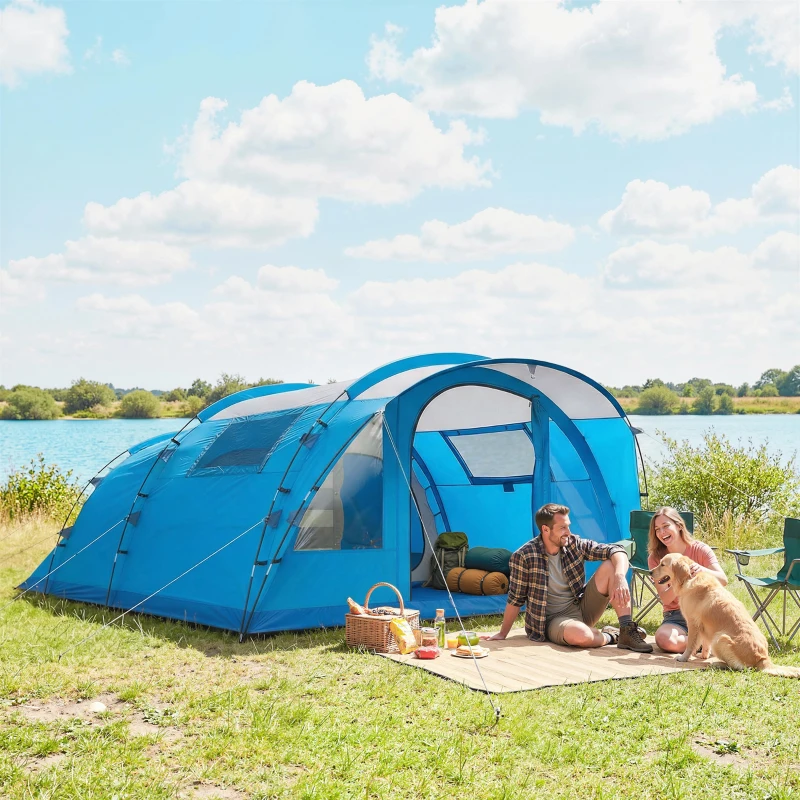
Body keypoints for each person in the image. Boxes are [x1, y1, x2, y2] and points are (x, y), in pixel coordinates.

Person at [486, 503, 653, 652]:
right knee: (582, 636)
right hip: (551, 620)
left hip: (581, 606)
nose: (568, 532)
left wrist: (619, 577)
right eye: (562, 528)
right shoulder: (524, 556)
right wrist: (502, 633)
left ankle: (626, 629)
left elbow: (616, 550)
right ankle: (611, 636)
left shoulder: (574, 543)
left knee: (611, 565)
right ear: (545, 529)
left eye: (568, 526)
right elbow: (516, 599)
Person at [647, 506, 727, 653]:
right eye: (657, 529)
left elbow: (723, 580)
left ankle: (704, 639)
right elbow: (665, 598)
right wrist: (679, 577)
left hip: (705, 612)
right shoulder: (656, 559)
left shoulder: (700, 549)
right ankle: (702, 642)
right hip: (676, 615)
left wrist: (701, 569)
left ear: (678, 526)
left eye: (666, 526)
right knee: (665, 640)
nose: (662, 532)